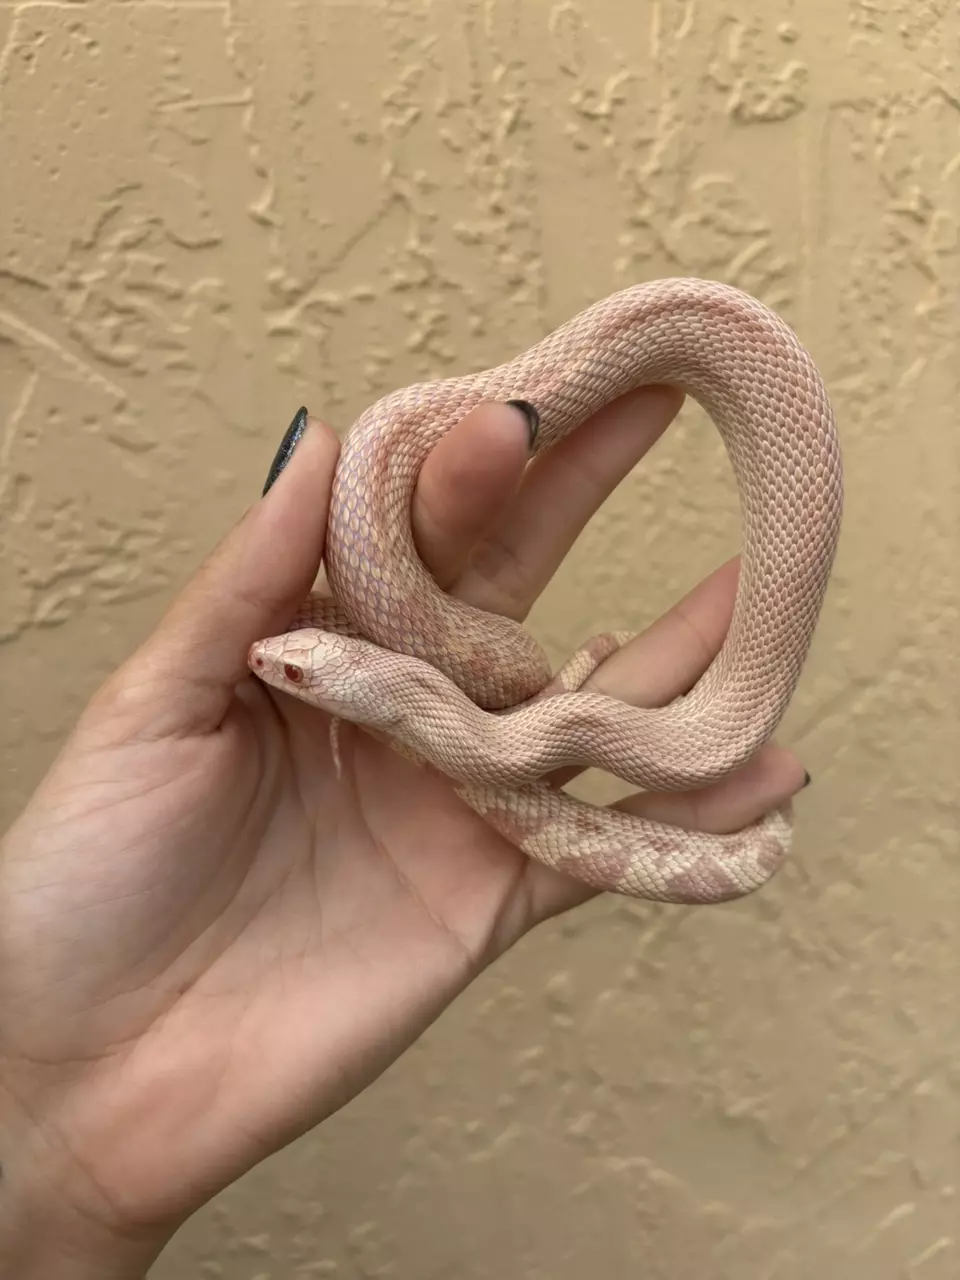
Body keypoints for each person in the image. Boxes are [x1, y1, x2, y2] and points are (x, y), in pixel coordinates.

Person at [0, 393, 808, 1278]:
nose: (274, 662)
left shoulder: (438, 703)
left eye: (297, 674)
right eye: (294, 672)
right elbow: (492, 693)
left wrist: (49, 1157)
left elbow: (488, 699)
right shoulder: (423, 701)